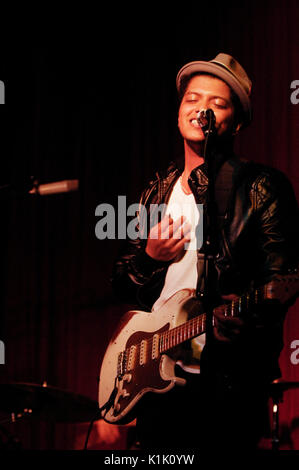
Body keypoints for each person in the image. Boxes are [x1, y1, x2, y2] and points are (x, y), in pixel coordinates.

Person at [111, 53, 299, 453]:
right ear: (179, 112)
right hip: (157, 379)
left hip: (227, 383)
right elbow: (123, 286)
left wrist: (249, 321)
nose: (201, 109)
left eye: (217, 103)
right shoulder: (155, 192)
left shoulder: (261, 186)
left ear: (238, 121)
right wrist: (150, 257)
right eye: (192, 99)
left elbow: (282, 276)